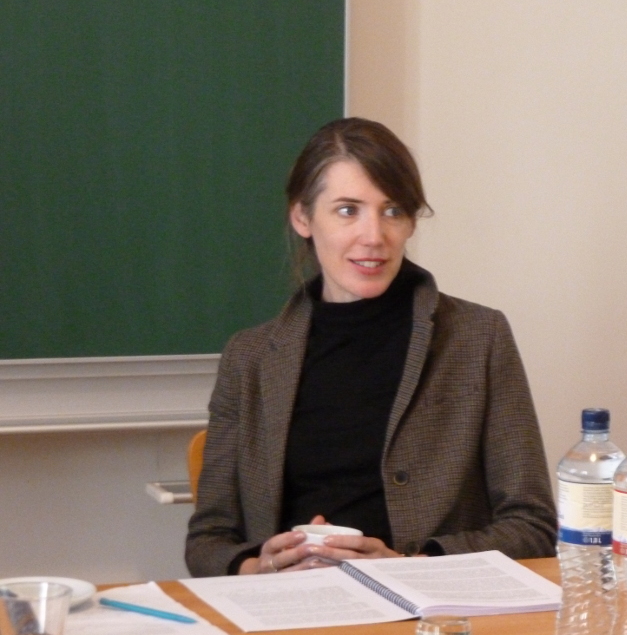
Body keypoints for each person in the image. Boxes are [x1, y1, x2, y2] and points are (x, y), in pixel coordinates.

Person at [185, 117, 557, 577]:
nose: (374, 237)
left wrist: (410, 566)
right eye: (347, 210)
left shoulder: (479, 337)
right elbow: (208, 540)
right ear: (303, 218)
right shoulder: (250, 357)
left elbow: (532, 525)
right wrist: (257, 569)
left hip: (427, 608)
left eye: (393, 211)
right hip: (292, 607)